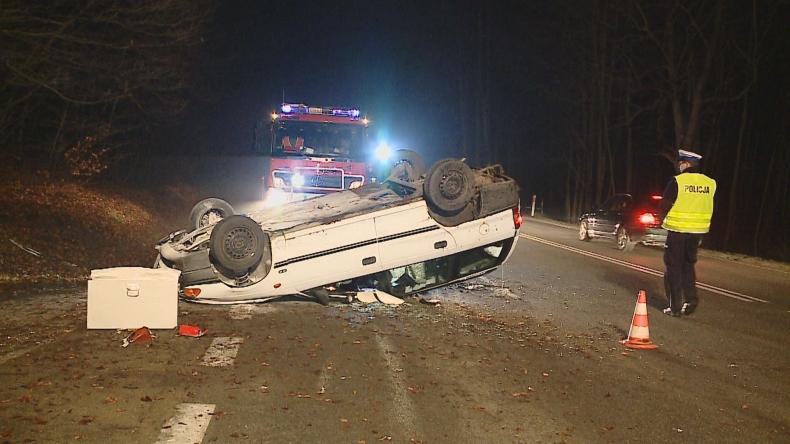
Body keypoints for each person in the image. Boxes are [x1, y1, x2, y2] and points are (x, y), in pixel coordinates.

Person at [659, 149, 717, 316]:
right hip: (697, 232)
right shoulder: (710, 183)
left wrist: (663, 219)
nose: (679, 166)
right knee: (688, 266)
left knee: (673, 267)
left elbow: (665, 204)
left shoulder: (678, 181)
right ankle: (691, 300)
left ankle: (675, 307)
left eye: (681, 163)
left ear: (686, 163)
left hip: (678, 230)